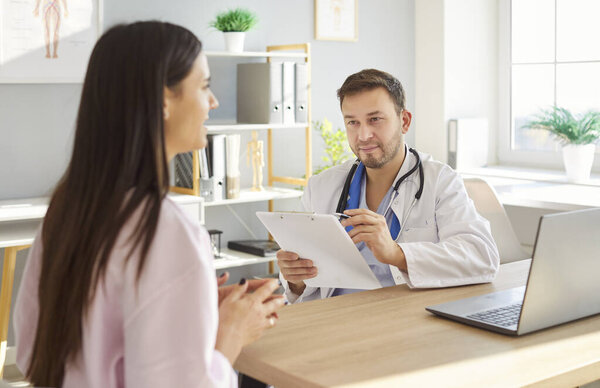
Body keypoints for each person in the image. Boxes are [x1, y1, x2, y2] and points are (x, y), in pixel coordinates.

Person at [13, 21, 284, 388]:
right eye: (204, 85)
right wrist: (231, 334)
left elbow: (32, 352)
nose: (213, 102)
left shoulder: (68, 207)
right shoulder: (167, 230)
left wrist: (195, 306)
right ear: (162, 99)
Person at [277, 69, 499, 303]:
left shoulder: (440, 181)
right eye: (352, 122)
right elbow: (301, 290)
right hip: (335, 318)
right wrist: (295, 278)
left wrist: (397, 254)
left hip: (404, 317)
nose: (363, 135)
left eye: (375, 119)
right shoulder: (321, 187)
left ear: (404, 121)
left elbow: (481, 257)